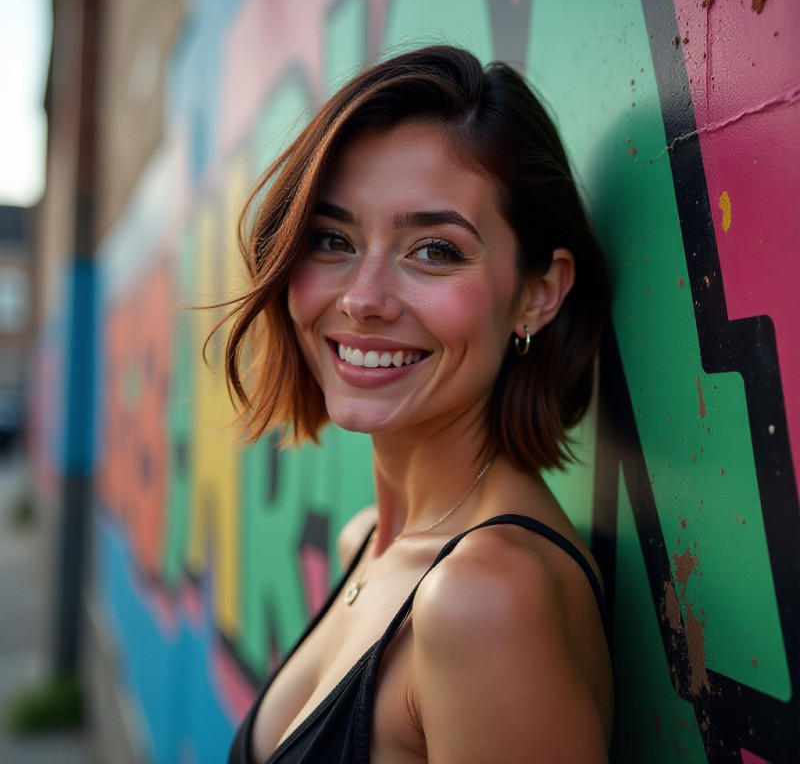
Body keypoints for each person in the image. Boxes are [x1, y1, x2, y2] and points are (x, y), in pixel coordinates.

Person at [223, 45, 612, 764]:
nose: (363, 299)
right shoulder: (368, 542)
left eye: (434, 250)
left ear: (538, 293)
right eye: (332, 240)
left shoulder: (483, 600)